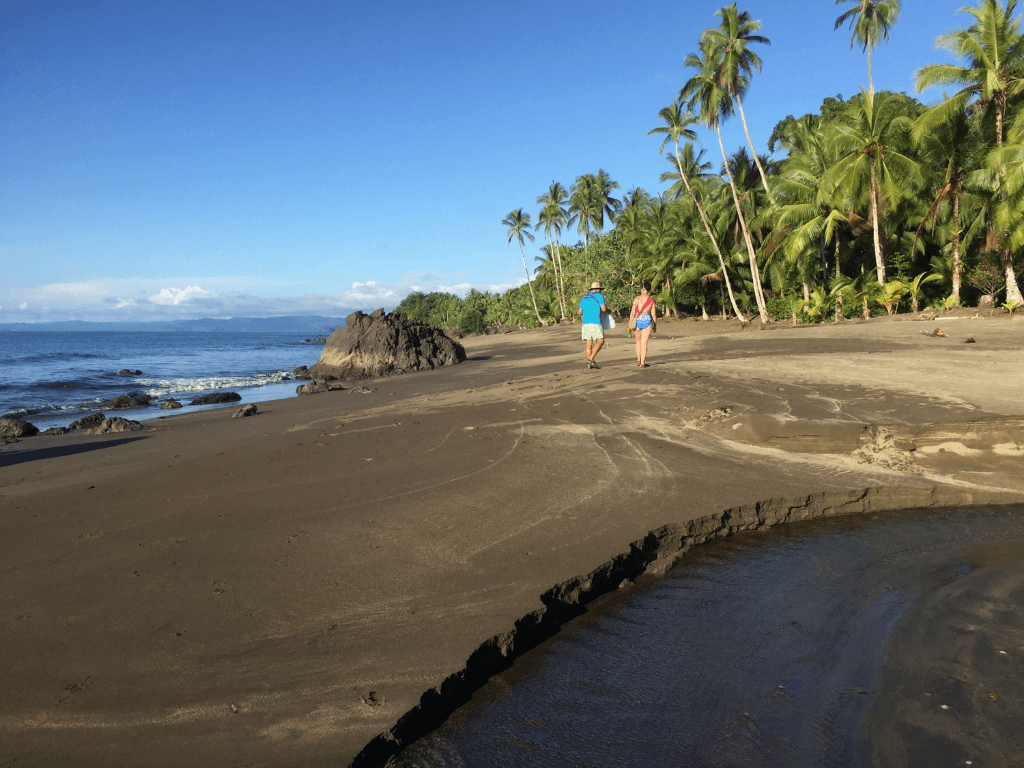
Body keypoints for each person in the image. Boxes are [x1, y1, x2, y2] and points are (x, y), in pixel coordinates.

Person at [577, 280, 606, 369]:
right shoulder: (599, 296)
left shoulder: (584, 297)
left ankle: (590, 363)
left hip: (585, 322)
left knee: (589, 343)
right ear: (598, 289)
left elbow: (579, 312)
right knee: (600, 341)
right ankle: (590, 358)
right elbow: (604, 309)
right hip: (595, 321)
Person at [629, 281, 657, 368]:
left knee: (638, 342)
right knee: (644, 343)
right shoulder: (651, 300)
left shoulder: (636, 299)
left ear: (642, 289)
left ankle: (638, 360)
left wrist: (630, 324)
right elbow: (653, 314)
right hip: (647, 321)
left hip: (637, 321)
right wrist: (655, 325)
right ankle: (642, 363)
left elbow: (632, 313)